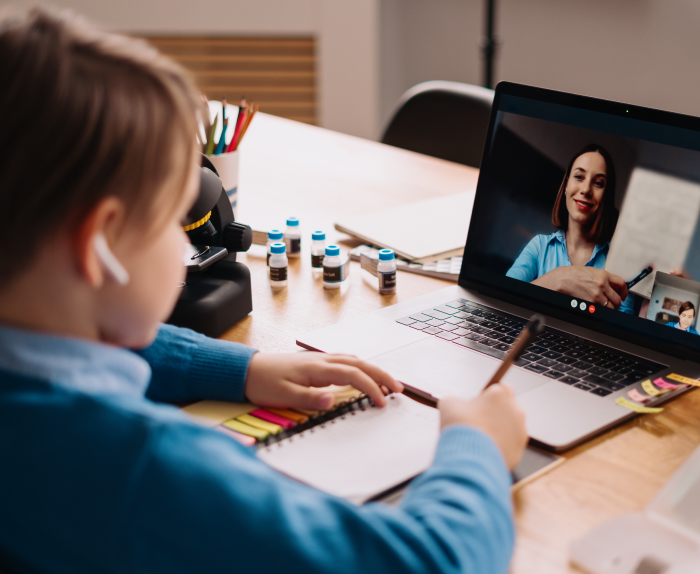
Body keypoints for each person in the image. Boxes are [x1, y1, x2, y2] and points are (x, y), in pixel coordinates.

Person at [0, 8, 527, 574]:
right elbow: (426, 564)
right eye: (174, 221)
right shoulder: (146, 472)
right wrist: (479, 449)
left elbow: (65, 353)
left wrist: (241, 369)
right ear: (98, 243)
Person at [506, 144, 633, 313]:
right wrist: (560, 280)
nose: (586, 189)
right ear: (566, 185)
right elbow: (504, 297)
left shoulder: (620, 267)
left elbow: (622, 332)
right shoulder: (539, 247)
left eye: (598, 183)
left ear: (606, 197)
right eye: (579, 177)